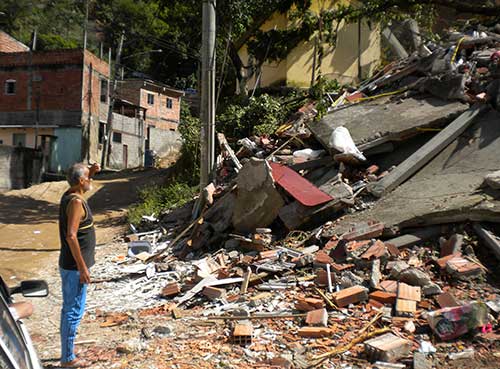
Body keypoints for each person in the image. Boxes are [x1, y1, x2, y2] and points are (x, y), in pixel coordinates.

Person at [58, 163, 100, 368]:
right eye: (88, 177)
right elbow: (71, 236)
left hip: (71, 266)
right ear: (81, 182)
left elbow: (81, 181)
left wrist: (90, 171)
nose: (91, 180)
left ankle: (68, 351)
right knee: (73, 311)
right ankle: (67, 359)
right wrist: (83, 268)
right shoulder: (75, 202)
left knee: (69, 309)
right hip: (74, 268)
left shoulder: (71, 193)